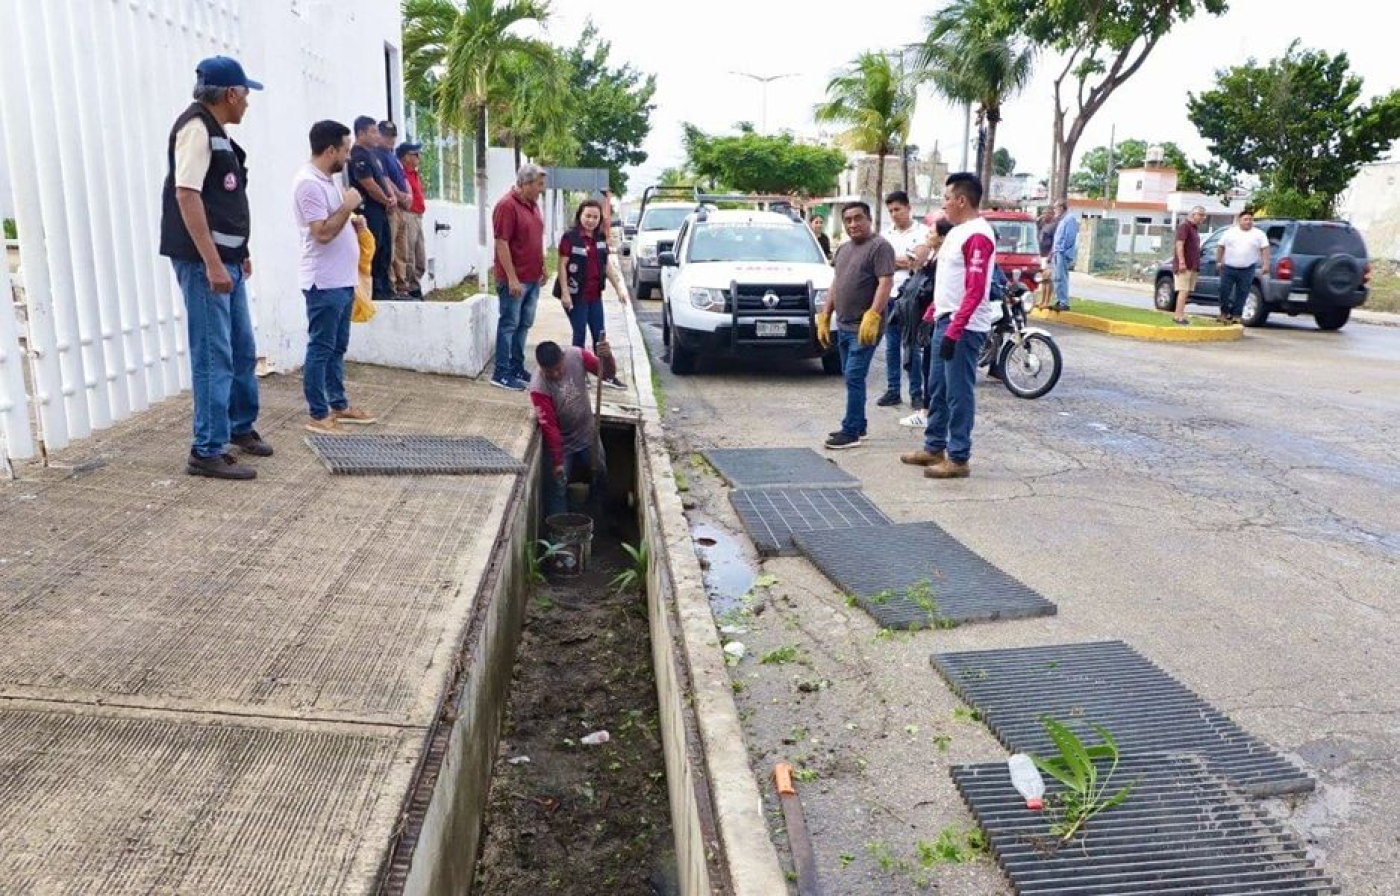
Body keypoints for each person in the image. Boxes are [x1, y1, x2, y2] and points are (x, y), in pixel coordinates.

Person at [159, 55, 269, 480]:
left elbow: (223, 200)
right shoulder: (196, 128)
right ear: (229, 94)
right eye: (245, 95)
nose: (247, 103)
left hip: (226, 260)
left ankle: (239, 426)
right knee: (214, 354)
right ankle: (206, 449)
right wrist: (211, 262)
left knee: (241, 347)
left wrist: (239, 251)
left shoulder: (217, 131)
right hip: (205, 263)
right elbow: (187, 195)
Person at [900, 173, 996, 480]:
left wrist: (955, 328)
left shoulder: (977, 235)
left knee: (958, 392)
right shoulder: (957, 232)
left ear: (962, 200)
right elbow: (948, 284)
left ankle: (958, 456)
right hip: (945, 319)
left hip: (963, 327)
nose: (944, 205)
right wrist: (931, 315)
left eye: (946, 198)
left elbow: (975, 288)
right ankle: (934, 446)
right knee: (937, 389)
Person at [293, 119, 379, 435]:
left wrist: (352, 219)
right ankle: (318, 413)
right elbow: (322, 233)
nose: (348, 157)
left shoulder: (328, 180)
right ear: (331, 150)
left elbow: (337, 221)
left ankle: (339, 405)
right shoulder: (308, 184)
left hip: (342, 281)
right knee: (321, 348)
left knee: (337, 346)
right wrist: (347, 207)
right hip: (323, 282)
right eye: (344, 149)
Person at [815, 202, 895, 450]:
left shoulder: (880, 247)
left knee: (854, 376)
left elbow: (885, 283)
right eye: (848, 220)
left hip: (864, 327)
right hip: (844, 325)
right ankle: (858, 424)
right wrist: (826, 314)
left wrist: (874, 314)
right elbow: (836, 283)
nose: (853, 224)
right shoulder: (843, 249)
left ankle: (850, 431)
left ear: (869, 219)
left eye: (858, 218)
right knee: (851, 377)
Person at [530, 339, 616, 517]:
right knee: (557, 486)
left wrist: (607, 358)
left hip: (587, 433)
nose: (554, 374)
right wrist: (558, 461)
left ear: (563, 358)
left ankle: (602, 516)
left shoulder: (576, 356)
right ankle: (559, 533)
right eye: (549, 371)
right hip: (562, 442)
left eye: (558, 368)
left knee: (600, 473)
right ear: (541, 368)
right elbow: (550, 427)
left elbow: (606, 373)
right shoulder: (539, 387)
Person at [557, 198, 630, 390]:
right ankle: (577, 374)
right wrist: (565, 293)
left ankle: (606, 374)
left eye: (595, 217)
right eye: (587, 216)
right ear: (580, 216)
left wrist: (619, 289)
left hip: (594, 296)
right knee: (579, 333)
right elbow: (562, 266)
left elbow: (607, 267)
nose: (591, 220)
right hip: (575, 296)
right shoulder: (570, 237)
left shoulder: (600, 239)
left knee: (600, 335)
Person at [491, 163, 549, 390]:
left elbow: (535, 239)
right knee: (509, 324)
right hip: (515, 280)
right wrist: (512, 278)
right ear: (525, 183)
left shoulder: (533, 206)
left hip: (532, 278)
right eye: (538, 184)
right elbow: (501, 243)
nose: (541, 189)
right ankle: (501, 372)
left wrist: (542, 266)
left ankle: (516, 367)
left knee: (524, 324)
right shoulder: (507, 205)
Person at [876, 190, 931, 410]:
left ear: (909, 207)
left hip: (912, 298)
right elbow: (879, 264)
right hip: (889, 295)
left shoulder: (924, 232)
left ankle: (916, 392)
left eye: (898, 209)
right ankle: (893, 390)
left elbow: (918, 262)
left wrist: (898, 261)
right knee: (891, 347)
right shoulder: (885, 234)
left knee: (912, 347)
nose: (894, 214)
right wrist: (902, 260)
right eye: (890, 211)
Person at [899, 217, 954, 429]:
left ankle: (929, 412)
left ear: (941, 237)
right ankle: (927, 410)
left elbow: (933, 290)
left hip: (935, 318)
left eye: (931, 232)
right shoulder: (935, 257)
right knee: (927, 365)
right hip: (926, 317)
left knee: (932, 368)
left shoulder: (943, 260)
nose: (927, 236)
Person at [347, 116, 396, 301]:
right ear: (361, 133)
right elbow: (367, 183)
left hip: (380, 210)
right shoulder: (358, 155)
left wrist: (389, 199)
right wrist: (386, 200)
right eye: (373, 132)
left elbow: (382, 179)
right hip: (369, 210)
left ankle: (385, 289)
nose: (377, 136)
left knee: (385, 250)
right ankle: (375, 292)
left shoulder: (372, 155)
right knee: (373, 251)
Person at [375, 121, 416, 299]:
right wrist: (399, 196)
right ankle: (391, 286)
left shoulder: (392, 156)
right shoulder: (378, 155)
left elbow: (402, 177)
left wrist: (409, 195)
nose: (390, 139)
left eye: (392, 135)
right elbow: (384, 179)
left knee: (403, 250)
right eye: (386, 135)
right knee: (391, 249)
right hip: (392, 207)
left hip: (403, 208)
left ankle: (402, 286)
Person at [1216, 210, 1269, 324]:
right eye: (1245, 219)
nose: (1248, 222)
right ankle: (1224, 313)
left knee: (1243, 292)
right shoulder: (1230, 232)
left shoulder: (1259, 234)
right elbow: (1221, 246)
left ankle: (1236, 315)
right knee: (1224, 291)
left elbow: (1265, 249)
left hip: (1247, 268)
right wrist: (1219, 261)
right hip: (1229, 267)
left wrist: (1265, 264)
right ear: (1239, 220)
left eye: (1250, 219)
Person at [397, 141, 427, 299]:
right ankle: (411, 288)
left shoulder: (414, 173)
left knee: (420, 257)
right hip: (408, 215)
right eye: (415, 154)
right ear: (405, 157)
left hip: (417, 216)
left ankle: (415, 283)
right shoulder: (402, 174)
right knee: (409, 254)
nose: (418, 157)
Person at [1172, 206, 1208, 325]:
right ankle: (1178, 316)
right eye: (1200, 215)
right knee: (1183, 290)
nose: (1203, 218)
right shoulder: (1185, 226)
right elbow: (1179, 244)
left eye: (1204, 215)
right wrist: (1182, 262)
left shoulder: (1195, 229)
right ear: (1193, 215)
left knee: (1186, 291)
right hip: (1185, 265)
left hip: (1193, 265)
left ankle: (1180, 314)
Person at [1050, 200, 1078, 311]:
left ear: (1062, 207)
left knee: (1061, 277)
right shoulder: (1062, 220)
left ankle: (1064, 302)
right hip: (1057, 252)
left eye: (1055, 208)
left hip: (1062, 253)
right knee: (1056, 277)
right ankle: (1059, 300)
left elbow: (1069, 238)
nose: (1054, 210)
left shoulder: (1069, 219)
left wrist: (1062, 250)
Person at [1035, 206, 1058, 310]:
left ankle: (1046, 301)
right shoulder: (1042, 224)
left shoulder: (1054, 226)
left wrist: (1050, 255)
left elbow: (1055, 242)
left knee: (1048, 279)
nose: (1044, 215)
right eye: (1043, 213)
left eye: (1047, 213)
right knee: (1043, 279)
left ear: (1052, 214)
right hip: (1041, 255)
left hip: (1048, 255)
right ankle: (1042, 300)